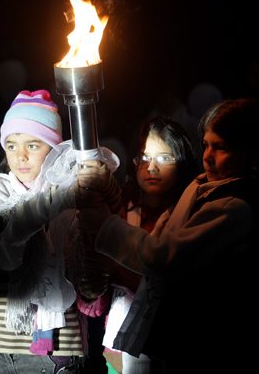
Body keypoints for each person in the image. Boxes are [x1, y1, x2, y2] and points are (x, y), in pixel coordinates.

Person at [78, 98, 259, 372]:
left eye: (221, 147)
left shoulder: (234, 206)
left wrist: (105, 227)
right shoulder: (202, 188)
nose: (208, 155)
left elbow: (163, 257)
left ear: (250, 152)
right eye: (206, 144)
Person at [0, 89, 121, 374]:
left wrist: (101, 190)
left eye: (33, 145)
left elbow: (90, 278)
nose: (20, 156)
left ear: (54, 149)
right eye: (11, 145)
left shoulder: (72, 199)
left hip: (60, 347)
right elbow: (4, 229)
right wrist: (64, 196)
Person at [90, 116, 200, 373]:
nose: (151, 168)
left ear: (183, 162)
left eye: (164, 158)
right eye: (144, 157)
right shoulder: (120, 211)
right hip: (117, 341)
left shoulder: (191, 215)